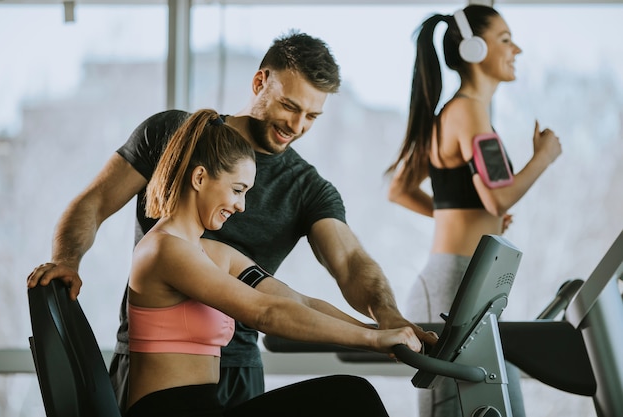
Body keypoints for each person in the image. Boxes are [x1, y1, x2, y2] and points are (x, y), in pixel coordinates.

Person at [27, 30, 438, 413]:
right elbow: (95, 201)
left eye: (312, 116)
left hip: (236, 366)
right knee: (350, 397)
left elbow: (332, 275)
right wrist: (67, 261)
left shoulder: (265, 214)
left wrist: (385, 322)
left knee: (350, 396)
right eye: (290, 106)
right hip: (159, 380)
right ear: (260, 82)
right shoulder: (174, 154)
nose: (297, 127)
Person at [124, 108, 415, 417]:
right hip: (165, 412)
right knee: (350, 396)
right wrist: (373, 340)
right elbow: (265, 313)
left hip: (208, 407)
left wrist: (381, 332)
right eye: (237, 191)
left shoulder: (211, 253)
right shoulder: (164, 250)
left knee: (350, 395)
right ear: (199, 177)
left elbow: (296, 301)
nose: (241, 206)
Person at [385, 5, 562, 417]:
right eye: (504, 39)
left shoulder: (455, 113)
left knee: (501, 403)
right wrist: (544, 156)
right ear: (474, 47)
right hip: (453, 284)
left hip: (467, 280)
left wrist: (466, 216)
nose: (516, 48)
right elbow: (498, 196)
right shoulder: (468, 111)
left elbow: (400, 190)